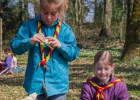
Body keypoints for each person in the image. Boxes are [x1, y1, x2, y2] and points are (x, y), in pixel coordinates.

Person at [10, 0, 80, 100]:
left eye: (53, 14)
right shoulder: (29, 26)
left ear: (59, 12)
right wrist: (30, 41)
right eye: (45, 12)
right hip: (35, 84)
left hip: (57, 85)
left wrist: (61, 46)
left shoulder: (65, 30)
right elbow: (15, 47)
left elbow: (74, 54)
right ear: (40, 10)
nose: (48, 17)